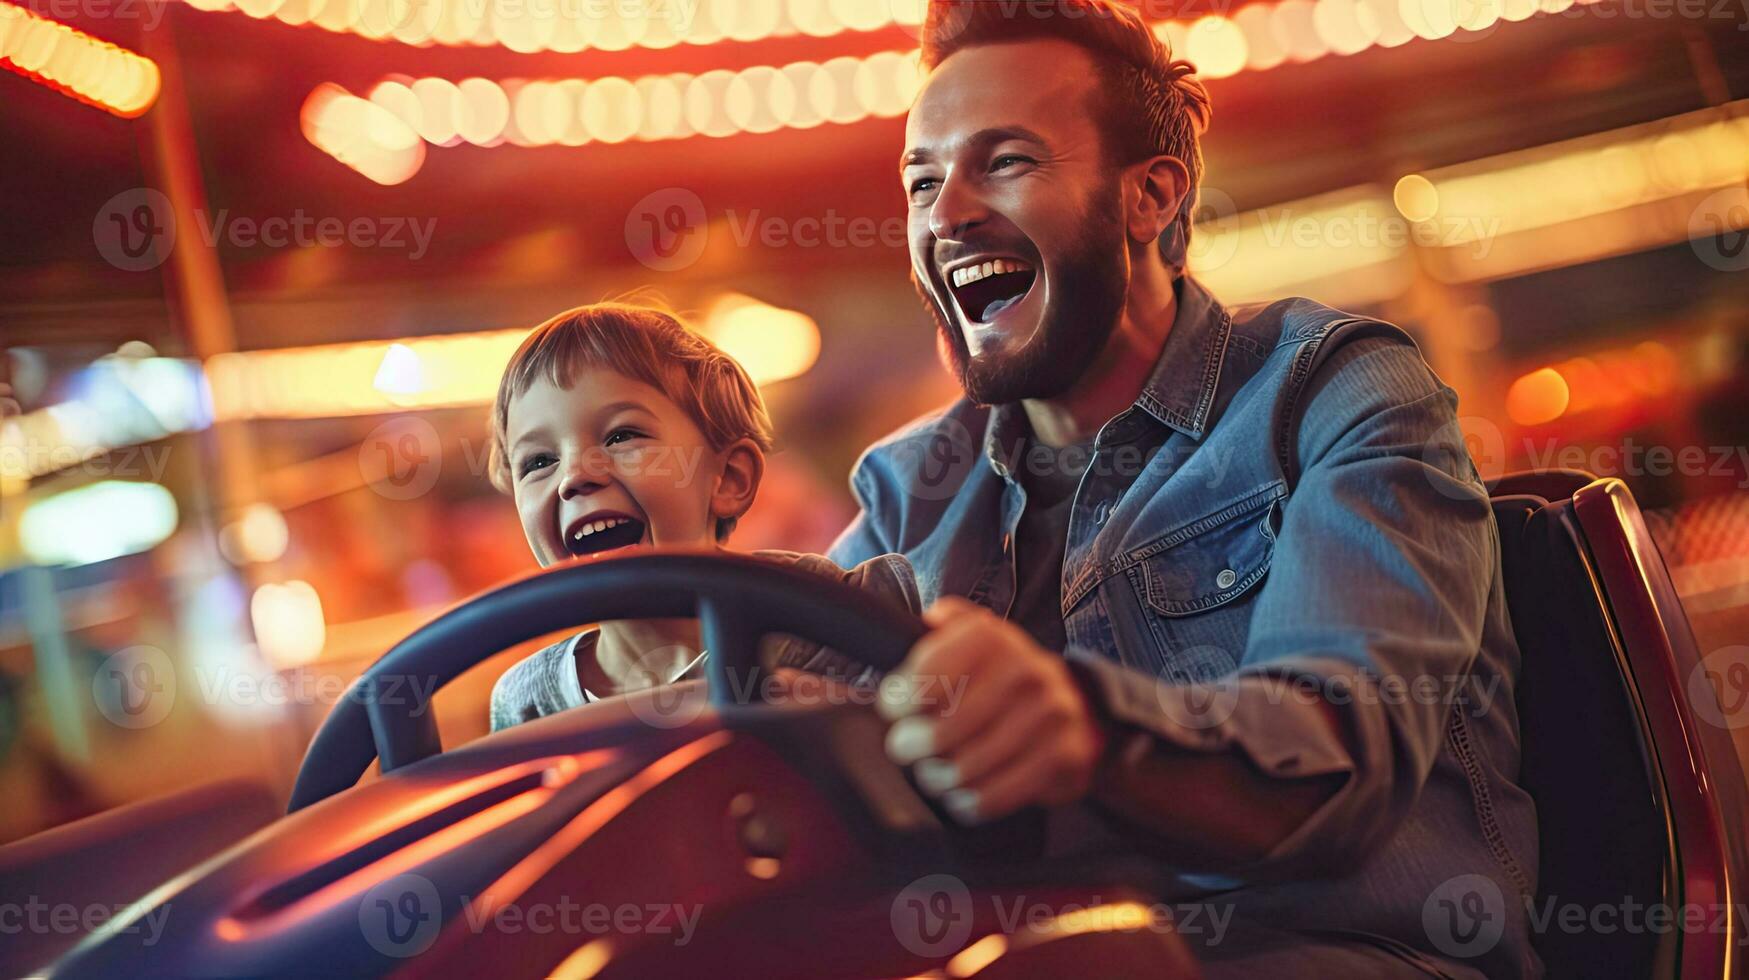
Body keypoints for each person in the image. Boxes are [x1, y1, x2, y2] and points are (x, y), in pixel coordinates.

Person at [829, 2, 1540, 976]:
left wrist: (1088, 727)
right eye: (922, 180)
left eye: (1005, 162)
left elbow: (1339, 753)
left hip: (1343, 949)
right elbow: (781, 694)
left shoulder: (1329, 390)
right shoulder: (911, 484)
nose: (946, 212)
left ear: (1151, 196)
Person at [485, 302, 918, 731]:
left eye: (621, 436)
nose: (574, 477)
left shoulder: (843, 615)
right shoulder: (526, 704)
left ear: (728, 478)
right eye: (539, 462)